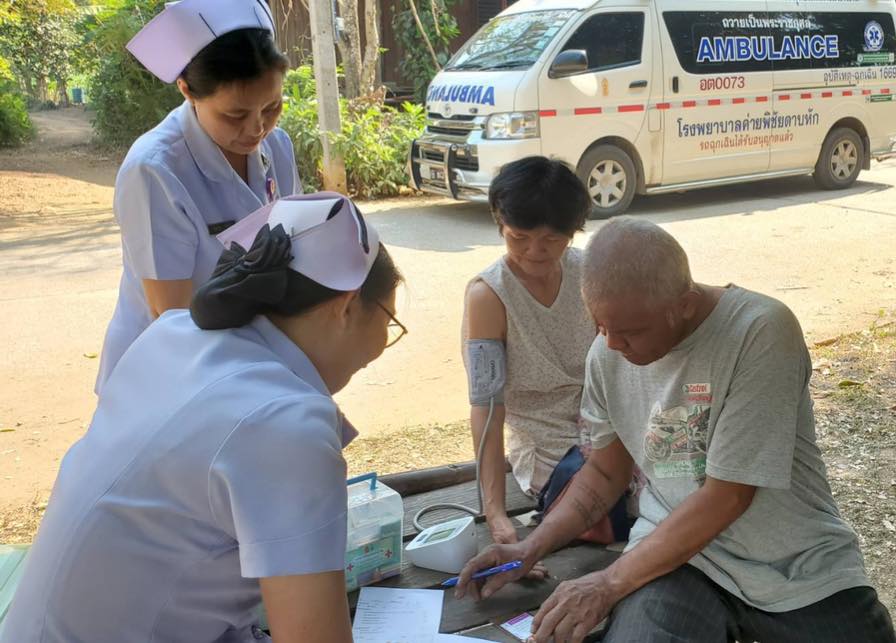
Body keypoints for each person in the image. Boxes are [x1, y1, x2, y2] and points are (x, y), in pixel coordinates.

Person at [454, 219, 896, 643]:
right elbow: (605, 475)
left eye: (628, 331)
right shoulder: (607, 354)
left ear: (683, 305)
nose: (611, 344)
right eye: (601, 326)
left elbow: (728, 495)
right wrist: (531, 548)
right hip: (674, 561)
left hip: (795, 563)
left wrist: (608, 583)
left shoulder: (760, 330)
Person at [0, 194, 405, 643]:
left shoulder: (175, 334)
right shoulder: (286, 424)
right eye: (389, 319)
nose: (384, 342)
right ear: (346, 306)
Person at [95, 0, 302, 393]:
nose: (257, 128)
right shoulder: (154, 170)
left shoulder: (278, 147)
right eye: (234, 115)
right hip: (170, 368)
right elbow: (170, 313)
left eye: (272, 106)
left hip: (250, 348)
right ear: (187, 90)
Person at [462, 156, 597, 545]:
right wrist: (496, 512)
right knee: (598, 499)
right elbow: (486, 407)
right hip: (546, 444)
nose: (535, 251)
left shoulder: (589, 272)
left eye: (551, 239)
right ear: (500, 224)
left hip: (606, 422)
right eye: (519, 237)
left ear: (573, 231)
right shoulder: (489, 296)